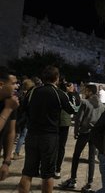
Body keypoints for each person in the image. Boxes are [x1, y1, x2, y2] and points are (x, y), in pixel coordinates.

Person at [18, 65, 77, 193]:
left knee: (27, 172)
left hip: (32, 135)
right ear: (57, 78)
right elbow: (74, 109)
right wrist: (72, 93)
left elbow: (23, 109)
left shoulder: (32, 91)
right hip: (49, 137)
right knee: (48, 174)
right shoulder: (58, 93)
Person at [60, 84, 105, 192]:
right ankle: (89, 183)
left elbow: (78, 119)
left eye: (86, 91)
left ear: (90, 92)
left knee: (76, 155)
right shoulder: (102, 106)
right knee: (91, 159)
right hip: (94, 134)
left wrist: (76, 131)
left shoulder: (85, 102)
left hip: (84, 132)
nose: (85, 92)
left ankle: (73, 180)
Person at [54, 82, 81, 179]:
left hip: (59, 122)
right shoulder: (63, 94)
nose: (72, 87)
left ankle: (56, 168)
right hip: (60, 122)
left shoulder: (59, 93)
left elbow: (76, 107)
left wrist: (72, 93)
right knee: (58, 146)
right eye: (70, 86)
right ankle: (55, 168)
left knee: (58, 146)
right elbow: (75, 108)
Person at [0, 66, 19, 181]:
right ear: (1, 84)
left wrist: (6, 161)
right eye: (13, 83)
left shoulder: (10, 101)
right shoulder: (9, 105)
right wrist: (7, 109)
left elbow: (11, 132)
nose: (16, 87)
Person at [12, 79, 36, 160]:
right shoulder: (28, 95)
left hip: (18, 117)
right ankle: (16, 153)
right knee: (22, 135)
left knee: (15, 135)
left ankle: (8, 152)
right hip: (25, 118)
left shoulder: (19, 94)